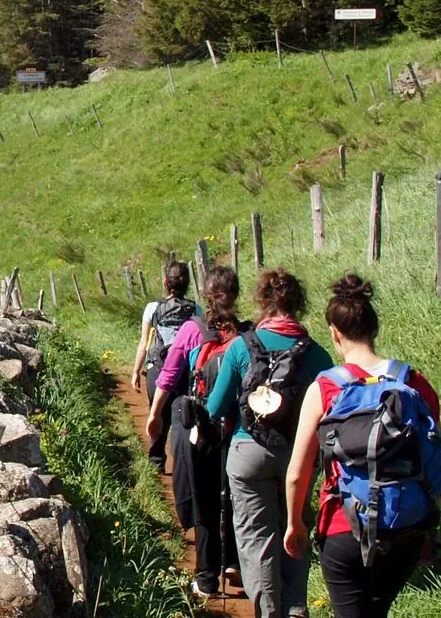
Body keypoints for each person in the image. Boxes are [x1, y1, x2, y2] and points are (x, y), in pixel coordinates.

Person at [283, 274, 441, 618]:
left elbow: (298, 473)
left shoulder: (325, 389)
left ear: (334, 333)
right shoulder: (412, 382)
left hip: (345, 528)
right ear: (375, 329)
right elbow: (434, 457)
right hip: (406, 527)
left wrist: (295, 523)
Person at [207, 268, 334, 618]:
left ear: (263, 301)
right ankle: (296, 610)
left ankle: (268, 613)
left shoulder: (241, 347)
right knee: (294, 530)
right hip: (298, 457)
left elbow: (215, 407)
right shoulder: (316, 354)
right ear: (299, 304)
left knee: (256, 541)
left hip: (248, 453)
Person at [147, 264, 246, 598]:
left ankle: (206, 578)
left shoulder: (193, 330)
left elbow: (170, 374)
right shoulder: (246, 334)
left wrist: (155, 412)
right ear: (235, 295)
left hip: (201, 428)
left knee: (205, 501)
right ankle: (234, 561)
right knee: (233, 495)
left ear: (205, 295)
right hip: (237, 428)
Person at [131, 261, 198, 471]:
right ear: (187, 283)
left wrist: (135, 371)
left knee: (158, 413)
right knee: (183, 414)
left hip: (157, 367)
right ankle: (183, 462)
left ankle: (156, 462)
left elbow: (144, 342)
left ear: (165, 282)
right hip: (185, 369)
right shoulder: (196, 309)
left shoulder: (153, 308)